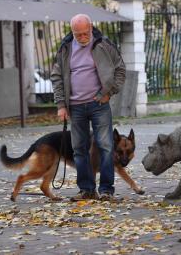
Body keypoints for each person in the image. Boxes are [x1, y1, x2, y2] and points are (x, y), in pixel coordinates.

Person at [50, 14, 126, 201]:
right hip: (75, 107)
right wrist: (61, 105)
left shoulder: (104, 44)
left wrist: (109, 92)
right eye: (78, 35)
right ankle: (87, 189)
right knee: (79, 149)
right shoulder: (65, 48)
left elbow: (120, 70)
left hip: (99, 104)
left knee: (106, 146)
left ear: (91, 28)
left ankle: (107, 190)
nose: (83, 38)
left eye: (85, 33)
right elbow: (57, 77)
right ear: (72, 32)